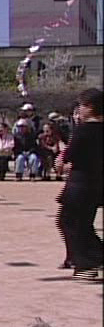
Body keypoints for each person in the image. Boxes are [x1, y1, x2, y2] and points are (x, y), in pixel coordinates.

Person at [56, 88, 103, 280]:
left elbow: (67, 157)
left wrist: (61, 164)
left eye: (82, 105)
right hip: (96, 184)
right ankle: (92, 257)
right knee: (82, 223)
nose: (79, 109)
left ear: (90, 107)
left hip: (80, 184)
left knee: (70, 222)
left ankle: (87, 264)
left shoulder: (84, 130)